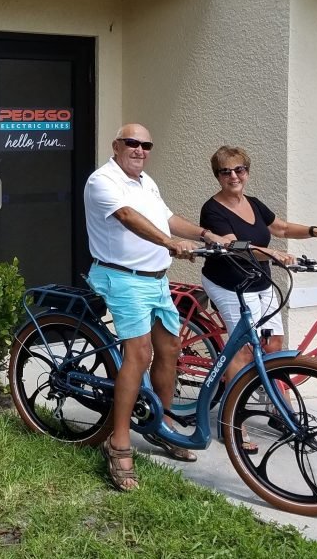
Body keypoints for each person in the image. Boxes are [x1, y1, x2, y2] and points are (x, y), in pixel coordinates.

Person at [84, 123, 226, 491]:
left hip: (155, 278)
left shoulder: (146, 182)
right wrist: (169, 242)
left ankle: (160, 425)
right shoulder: (103, 181)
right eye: (132, 143)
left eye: (146, 144)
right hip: (122, 277)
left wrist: (204, 235)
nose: (140, 149)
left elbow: (166, 218)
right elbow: (129, 218)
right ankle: (118, 443)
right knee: (139, 355)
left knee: (170, 348)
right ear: (116, 145)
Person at [198, 145, 317, 453]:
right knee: (243, 353)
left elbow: (281, 227)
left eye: (239, 170)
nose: (234, 176)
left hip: (260, 281)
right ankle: (231, 423)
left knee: (274, 344)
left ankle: (278, 409)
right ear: (218, 176)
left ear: (247, 172)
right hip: (229, 283)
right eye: (226, 171)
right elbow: (234, 245)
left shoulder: (253, 204)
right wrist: (272, 253)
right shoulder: (212, 209)